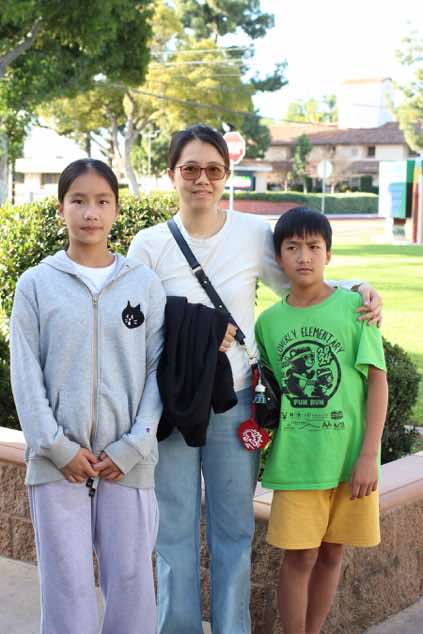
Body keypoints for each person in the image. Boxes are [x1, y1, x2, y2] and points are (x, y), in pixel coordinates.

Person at [127, 124, 383, 634]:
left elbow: (302, 276)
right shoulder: (149, 244)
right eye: (190, 169)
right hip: (175, 402)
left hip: (236, 402)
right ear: (172, 174)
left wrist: (357, 285)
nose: (202, 180)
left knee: (234, 531)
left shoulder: (249, 233)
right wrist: (198, 329)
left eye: (213, 169)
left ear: (226, 174)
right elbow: (134, 323)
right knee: (173, 530)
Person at [10, 159, 165, 634]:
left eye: (102, 201)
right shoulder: (36, 284)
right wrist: (56, 447)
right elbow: (25, 373)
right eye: (78, 200)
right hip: (57, 462)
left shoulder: (143, 283)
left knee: (132, 583)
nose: (90, 213)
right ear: (61, 209)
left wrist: (134, 445)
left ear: (116, 209)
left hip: (128, 462)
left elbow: (158, 370)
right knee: (67, 586)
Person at [255, 207, 388, 634]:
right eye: (292, 247)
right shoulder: (268, 323)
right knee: (301, 556)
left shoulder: (356, 310)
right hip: (298, 462)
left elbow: (377, 384)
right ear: (278, 257)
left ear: (328, 254)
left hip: (350, 460)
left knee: (332, 553)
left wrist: (368, 456)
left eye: (314, 247)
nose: (304, 257)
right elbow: (269, 392)